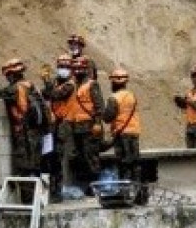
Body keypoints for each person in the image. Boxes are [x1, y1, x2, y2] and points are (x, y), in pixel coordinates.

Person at [0, 58, 49, 203]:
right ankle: (38, 201)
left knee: (25, 168)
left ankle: (28, 202)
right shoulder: (31, 86)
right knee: (35, 167)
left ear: (11, 75)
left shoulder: (15, 88)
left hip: (25, 134)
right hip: (37, 133)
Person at [65, 55, 104, 192]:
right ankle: (87, 186)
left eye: (79, 69)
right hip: (78, 128)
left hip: (89, 127)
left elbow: (99, 106)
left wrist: (97, 123)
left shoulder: (92, 84)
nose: (76, 72)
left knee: (91, 156)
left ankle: (95, 186)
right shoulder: (75, 85)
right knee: (81, 157)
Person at [101, 67, 143, 191]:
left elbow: (108, 118)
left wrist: (101, 113)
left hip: (121, 134)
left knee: (123, 164)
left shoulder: (114, 98)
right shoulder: (131, 95)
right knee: (135, 163)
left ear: (114, 82)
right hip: (134, 133)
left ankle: (125, 191)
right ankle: (137, 190)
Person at [44, 54, 78, 199]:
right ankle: (52, 190)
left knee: (57, 157)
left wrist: (47, 82)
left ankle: (57, 192)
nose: (62, 69)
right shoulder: (58, 83)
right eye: (60, 67)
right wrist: (48, 85)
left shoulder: (70, 85)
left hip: (64, 123)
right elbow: (46, 94)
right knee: (51, 157)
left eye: (65, 67)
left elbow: (55, 95)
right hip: (55, 123)